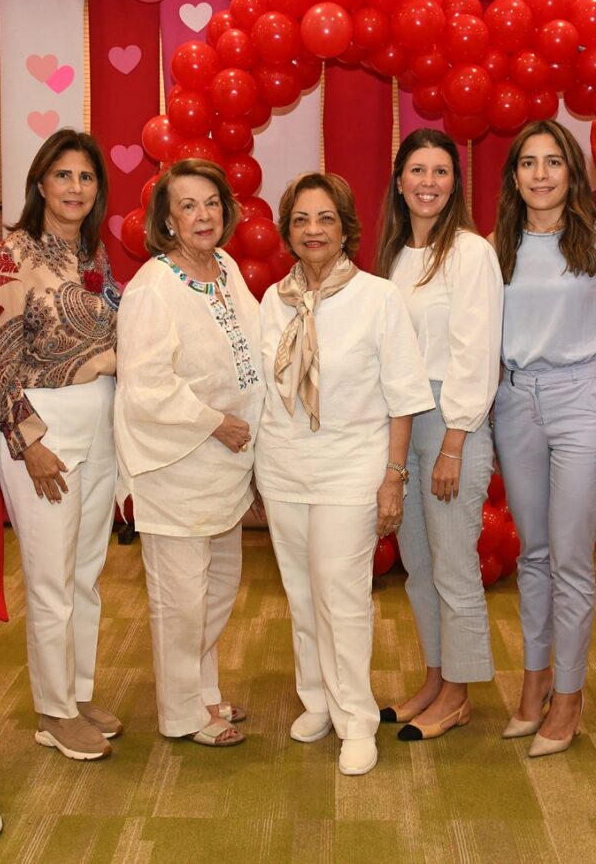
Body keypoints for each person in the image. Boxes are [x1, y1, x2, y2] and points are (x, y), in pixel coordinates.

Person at [255, 171, 433, 776]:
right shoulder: (271, 301)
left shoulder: (378, 298)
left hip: (350, 470)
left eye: (325, 218)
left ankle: (357, 720)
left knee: (342, 596)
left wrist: (393, 476)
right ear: (288, 230)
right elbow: (260, 392)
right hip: (282, 468)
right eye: (301, 219)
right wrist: (255, 472)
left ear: (345, 228)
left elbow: (404, 395)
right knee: (302, 596)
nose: (312, 230)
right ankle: (320, 701)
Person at [115, 158, 265, 748]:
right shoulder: (153, 286)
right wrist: (214, 424)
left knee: (218, 588)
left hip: (226, 466)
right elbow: (146, 384)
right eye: (187, 206)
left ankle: (202, 692)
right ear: (168, 221)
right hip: (176, 465)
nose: (202, 216)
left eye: (211, 203)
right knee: (180, 600)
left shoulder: (225, 268)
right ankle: (180, 713)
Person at [0, 129, 121, 760]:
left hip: (99, 428)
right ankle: (50, 711)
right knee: (49, 579)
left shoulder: (95, 253)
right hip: (41, 431)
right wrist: (29, 442)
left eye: (87, 177)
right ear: (40, 182)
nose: (76, 188)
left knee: (85, 574)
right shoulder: (12, 253)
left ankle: (77, 691)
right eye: (64, 175)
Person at [376, 128, 503, 742]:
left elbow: (478, 353)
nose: (428, 182)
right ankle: (434, 679)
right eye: (418, 171)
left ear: (456, 182)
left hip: (455, 422)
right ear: (399, 181)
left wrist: (454, 441)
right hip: (403, 423)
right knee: (418, 566)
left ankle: (458, 695)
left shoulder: (472, 252)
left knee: (454, 566)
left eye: (441, 172)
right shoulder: (395, 255)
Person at [491, 119, 596, 758]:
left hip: (581, 395)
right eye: (527, 163)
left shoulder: (591, 239)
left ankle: (570, 695)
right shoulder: (495, 244)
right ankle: (533, 684)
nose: (539, 174)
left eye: (552, 162)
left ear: (571, 171)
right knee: (532, 551)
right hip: (514, 399)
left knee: (571, 555)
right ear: (514, 176)